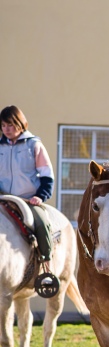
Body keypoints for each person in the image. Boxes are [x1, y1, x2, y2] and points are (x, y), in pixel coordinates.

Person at [0, 105, 55, 264]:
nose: (6, 129)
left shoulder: (34, 145)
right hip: (3, 198)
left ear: (20, 123)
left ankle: (46, 264)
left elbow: (47, 176)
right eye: (3, 125)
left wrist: (40, 196)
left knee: (42, 224)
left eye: (10, 125)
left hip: (27, 200)